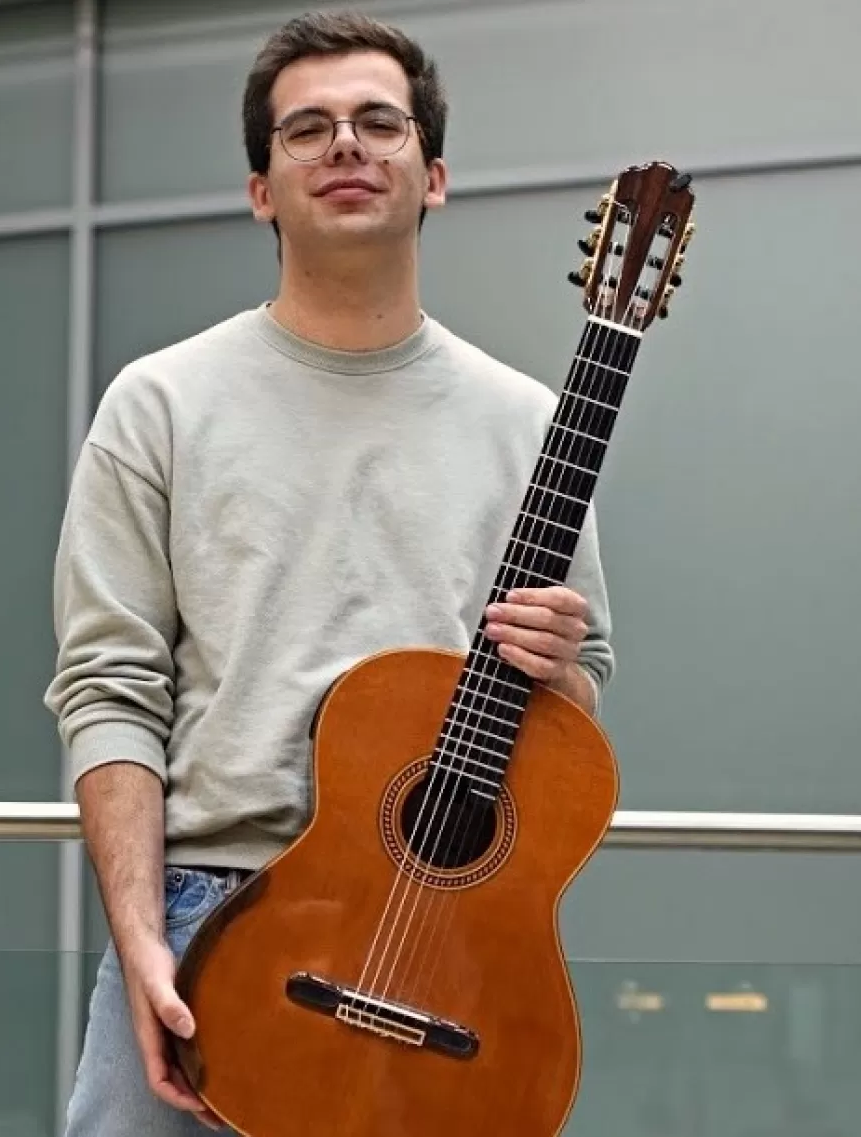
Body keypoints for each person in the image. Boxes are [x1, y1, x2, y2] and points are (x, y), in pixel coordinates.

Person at [44, 10, 615, 1136]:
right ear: (262, 190)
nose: (345, 143)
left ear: (432, 175)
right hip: (207, 917)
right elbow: (109, 689)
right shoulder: (159, 403)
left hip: (445, 939)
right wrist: (141, 937)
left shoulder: (530, 423)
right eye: (307, 129)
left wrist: (560, 669)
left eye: (378, 122)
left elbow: (580, 698)